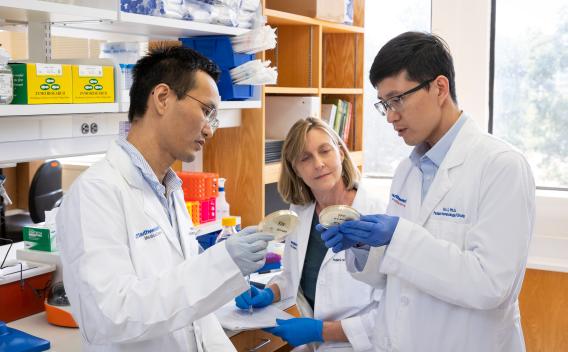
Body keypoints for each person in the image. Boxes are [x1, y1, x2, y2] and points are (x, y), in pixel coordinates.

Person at [320, 31, 536, 352]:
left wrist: (399, 236)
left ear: (439, 88)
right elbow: (394, 277)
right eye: (384, 104)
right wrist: (365, 247)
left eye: (397, 99)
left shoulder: (501, 166)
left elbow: (491, 285)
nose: (391, 116)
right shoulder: (407, 171)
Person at [56, 46, 273, 352]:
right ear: (162, 98)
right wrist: (223, 263)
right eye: (206, 111)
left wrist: (223, 268)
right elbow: (111, 315)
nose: (210, 130)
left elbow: (191, 308)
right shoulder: (96, 193)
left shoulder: (170, 189)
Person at [234, 117, 385, 351]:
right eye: (305, 158)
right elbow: (292, 276)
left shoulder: (376, 214)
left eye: (325, 151)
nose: (318, 164)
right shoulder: (301, 213)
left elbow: (388, 314)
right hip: (319, 344)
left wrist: (319, 331)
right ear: (296, 169)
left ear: (341, 153)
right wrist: (269, 293)